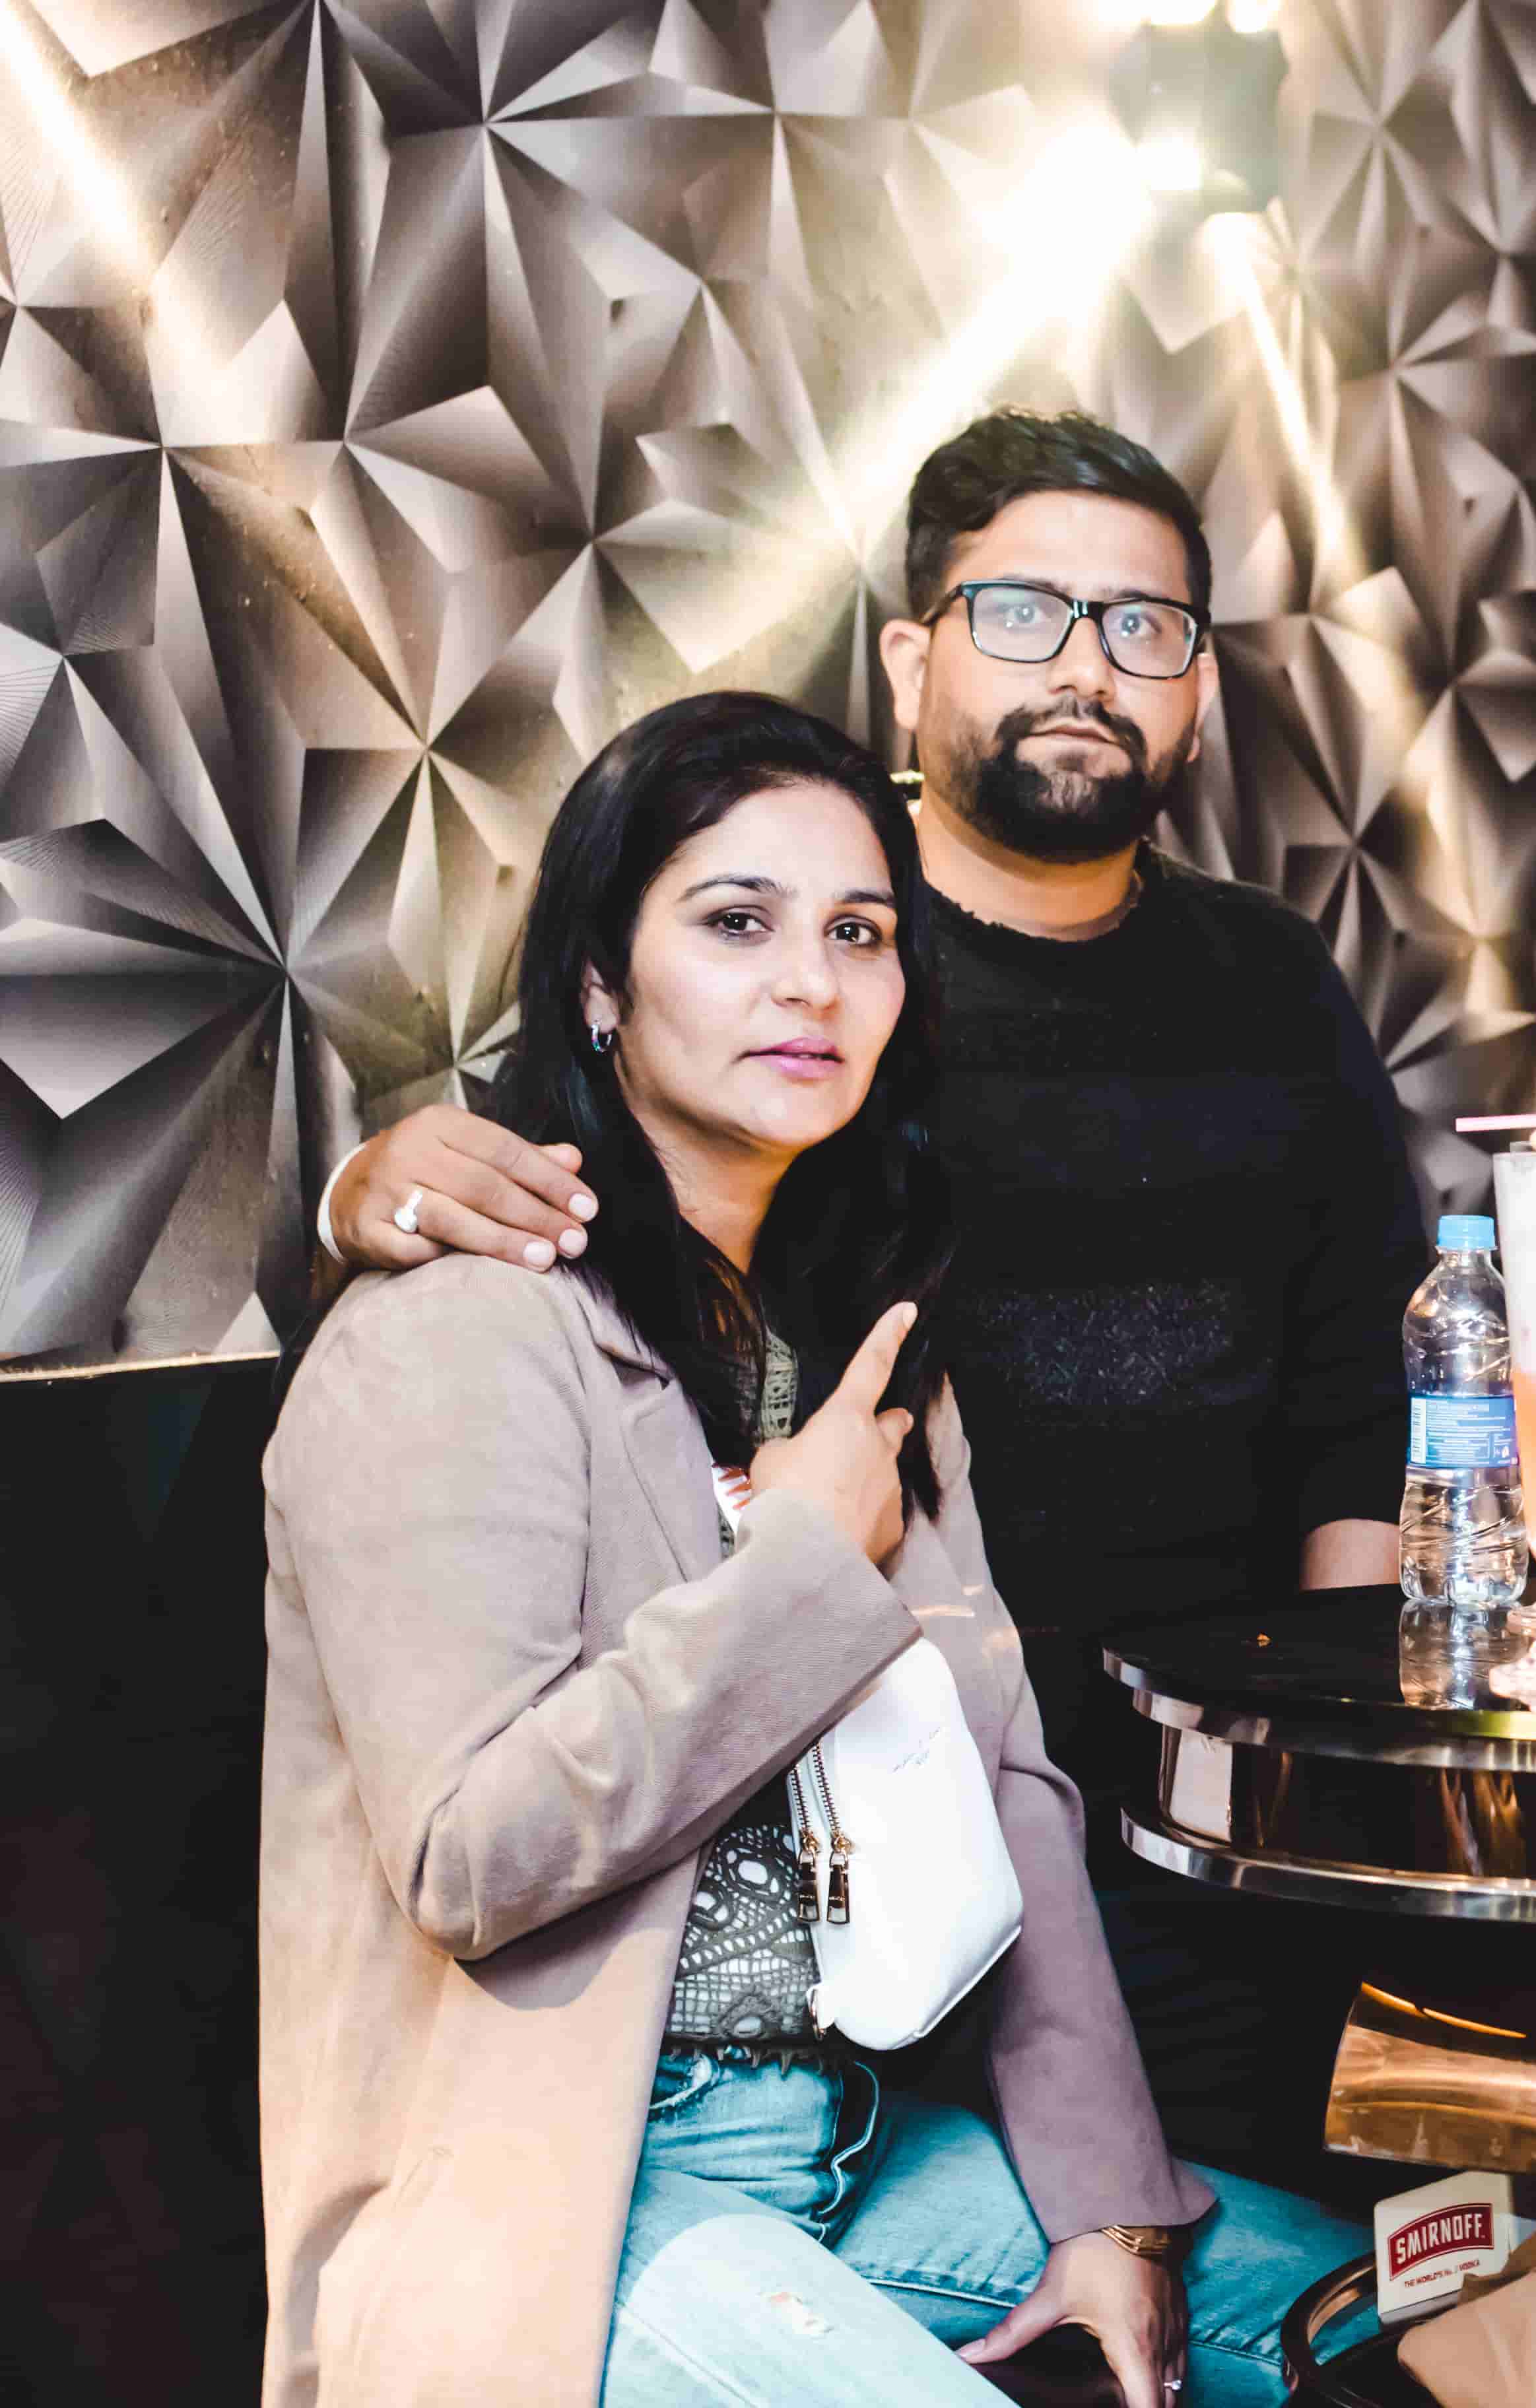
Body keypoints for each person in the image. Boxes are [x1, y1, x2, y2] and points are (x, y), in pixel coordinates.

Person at [312, 411, 1430, 2181]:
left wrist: (1337, 1751)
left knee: (1309, 2247)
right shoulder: (793, 1011)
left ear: (1200, 690)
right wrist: (357, 1195)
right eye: (1024, 613)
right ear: (913, 660)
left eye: (1144, 627)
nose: (1086, 668)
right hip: (875, 1807)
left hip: (1224, 1809)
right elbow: (568, 1220)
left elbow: (1364, 1372)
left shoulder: (1268, 975)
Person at [259, 693, 1360, 2408]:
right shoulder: (462, 1327)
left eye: (860, 933)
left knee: (1380, 2321)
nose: (812, 984)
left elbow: (1011, 1787)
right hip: (558, 2193)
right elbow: (470, 1858)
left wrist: (1109, 2209)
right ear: (600, 983)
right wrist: (807, 1572)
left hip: (851, 2135)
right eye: (736, 923)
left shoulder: (857, 1341)